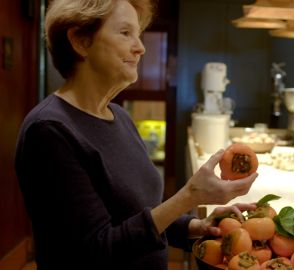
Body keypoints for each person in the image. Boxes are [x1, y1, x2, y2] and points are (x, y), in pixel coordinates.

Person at [14, 0, 258, 269]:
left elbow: (140, 213)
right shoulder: (49, 131)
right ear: (80, 41)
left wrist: (197, 226)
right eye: (125, 33)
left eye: (138, 34)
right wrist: (188, 197)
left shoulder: (120, 117)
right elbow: (93, 252)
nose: (140, 47)